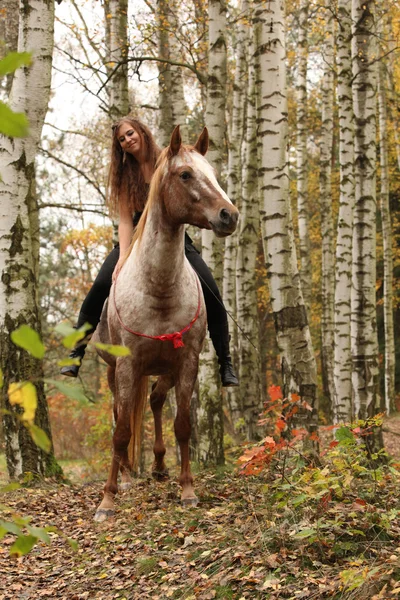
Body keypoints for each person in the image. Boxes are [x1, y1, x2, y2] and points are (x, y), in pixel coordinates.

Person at [60, 117, 239, 387]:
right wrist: (122, 255)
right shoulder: (125, 175)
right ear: (119, 146)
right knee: (99, 286)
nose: (127, 140)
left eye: (130, 133)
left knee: (211, 290)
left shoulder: (166, 160)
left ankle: (225, 361)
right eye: (122, 139)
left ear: (141, 132)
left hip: (174, 240)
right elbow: (123, 220)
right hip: (133, 241)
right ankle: (76, 352)